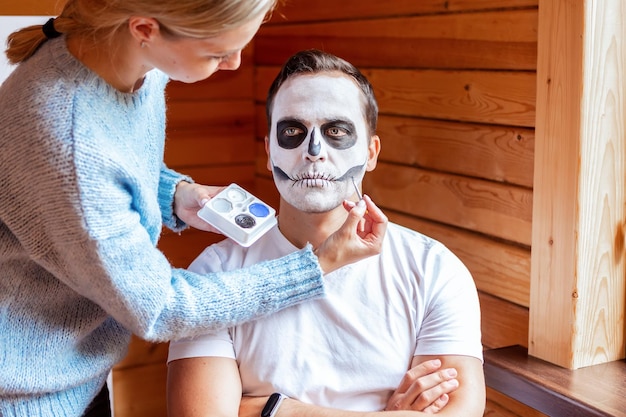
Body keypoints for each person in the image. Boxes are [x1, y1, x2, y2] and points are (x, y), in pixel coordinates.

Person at [0, 2, 388, 415]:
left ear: (371, 150)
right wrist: (316, 266)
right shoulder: (66, 133)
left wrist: (175, 194)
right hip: (26, 395)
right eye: (216, 53)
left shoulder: (131, 60)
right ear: (145, 29)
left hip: (73, 374)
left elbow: (116, 165)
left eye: (337, 132)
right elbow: (162, 308)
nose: (234, 64)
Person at [166, 49, 485, 417]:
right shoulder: (213, 275)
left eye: (336, 131)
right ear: (269, 153)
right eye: (292, 132)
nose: (313, 151)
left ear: (371, 152)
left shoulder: (433, 270)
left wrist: (266, 410)